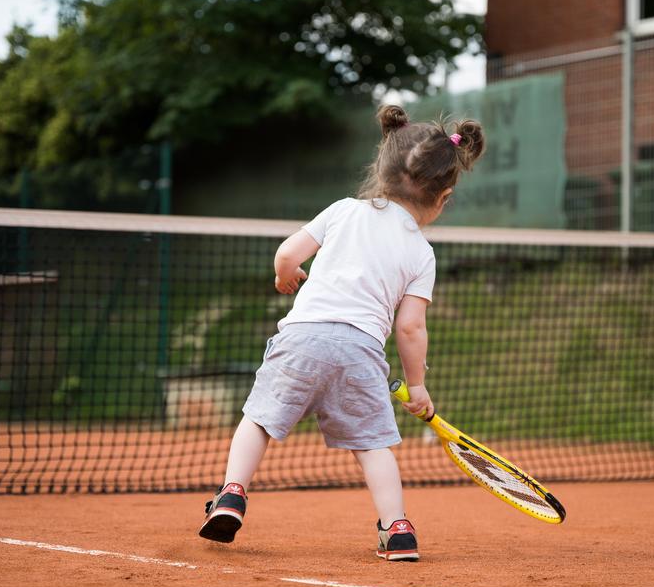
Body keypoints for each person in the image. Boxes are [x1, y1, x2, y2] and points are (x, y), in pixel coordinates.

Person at [198, 104, 485, 562]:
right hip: (361, 351)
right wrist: (417, 385)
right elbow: (410, 326)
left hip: (301, 340)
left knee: (259, 420)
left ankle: (232, 493)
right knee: (373, 446)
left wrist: (286, 276)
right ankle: (397, 529)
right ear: (443, 196)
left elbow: (287, 255)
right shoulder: (422, 253)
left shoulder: (343, 211)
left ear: (382, 169)